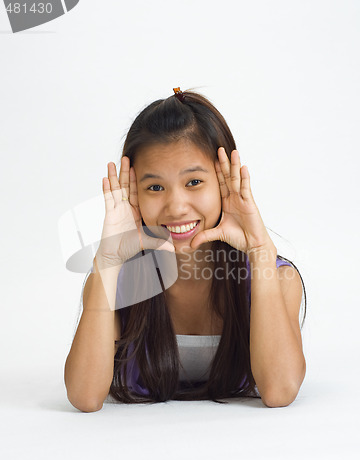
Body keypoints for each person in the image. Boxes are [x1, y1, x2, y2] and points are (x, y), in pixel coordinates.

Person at [64, 88, 307, 412]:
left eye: (193, 182)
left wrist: (260, 250)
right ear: (133, 192)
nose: (176, 206)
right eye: (155, 187)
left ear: (224, 182)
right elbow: (84, 397)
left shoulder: (276, 278)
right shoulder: (117, 279)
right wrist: (108, 261)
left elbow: (279, 391)